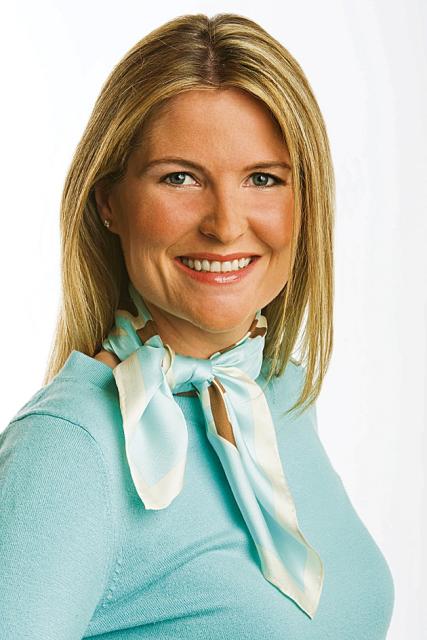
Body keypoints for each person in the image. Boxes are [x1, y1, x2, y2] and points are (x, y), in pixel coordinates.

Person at [0, 12, 395, 640]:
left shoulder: (279, 389)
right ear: (109, 201)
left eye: (263, 179)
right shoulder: (69, 448)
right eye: (180, 178)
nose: (226, 224)